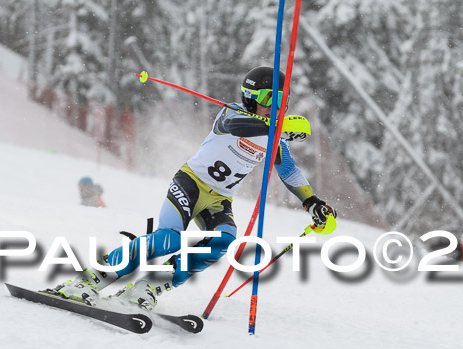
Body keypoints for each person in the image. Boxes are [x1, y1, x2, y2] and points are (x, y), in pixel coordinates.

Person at [50, 66, 337, 311]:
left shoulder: (274, 136)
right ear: (250, 98)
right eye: (269, 99)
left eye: (283, 101)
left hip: (219, 199)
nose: (276, 106)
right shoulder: (232, 115)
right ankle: (89, 280)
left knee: (223, 241)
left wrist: (312, 203)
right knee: (168, 240)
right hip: (190, 184)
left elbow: (288, 169)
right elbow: (238, 126)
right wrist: (279, 126)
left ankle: (149, 286)